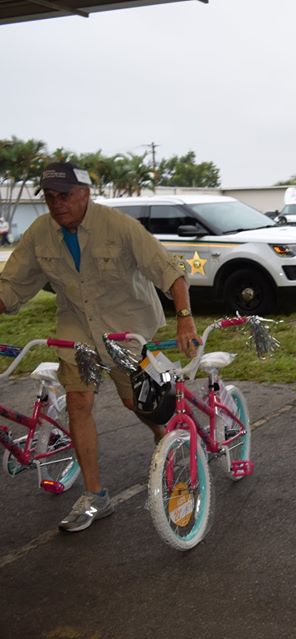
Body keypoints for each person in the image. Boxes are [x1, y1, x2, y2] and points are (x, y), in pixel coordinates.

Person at [0, 161, 200, 533]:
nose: (57, 204)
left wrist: (184, 316)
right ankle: (95, 495)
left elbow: (169, 269)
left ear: (85, 194)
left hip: (127, 327)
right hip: (77, 326)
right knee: (78, 401)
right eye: (49, 197)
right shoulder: (40, 233)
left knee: (136, 402)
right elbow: (11, 285)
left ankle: (162, 434)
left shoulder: (118, 226)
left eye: (65, 195)